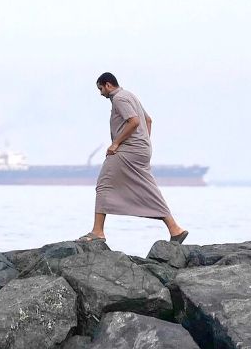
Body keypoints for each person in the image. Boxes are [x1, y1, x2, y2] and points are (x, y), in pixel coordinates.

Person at [78, 72, 188, 244]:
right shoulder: (130, 95)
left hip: (128, 150)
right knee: (148, 188)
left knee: (104, 183)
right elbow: (148, 120)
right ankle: (175, 229)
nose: (100, 93)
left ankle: (98, 231)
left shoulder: (119, 98)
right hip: (141, 150)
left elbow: (134, 121)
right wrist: (144, 142)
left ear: (108, 85)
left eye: (100, 89)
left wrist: (116, 143)